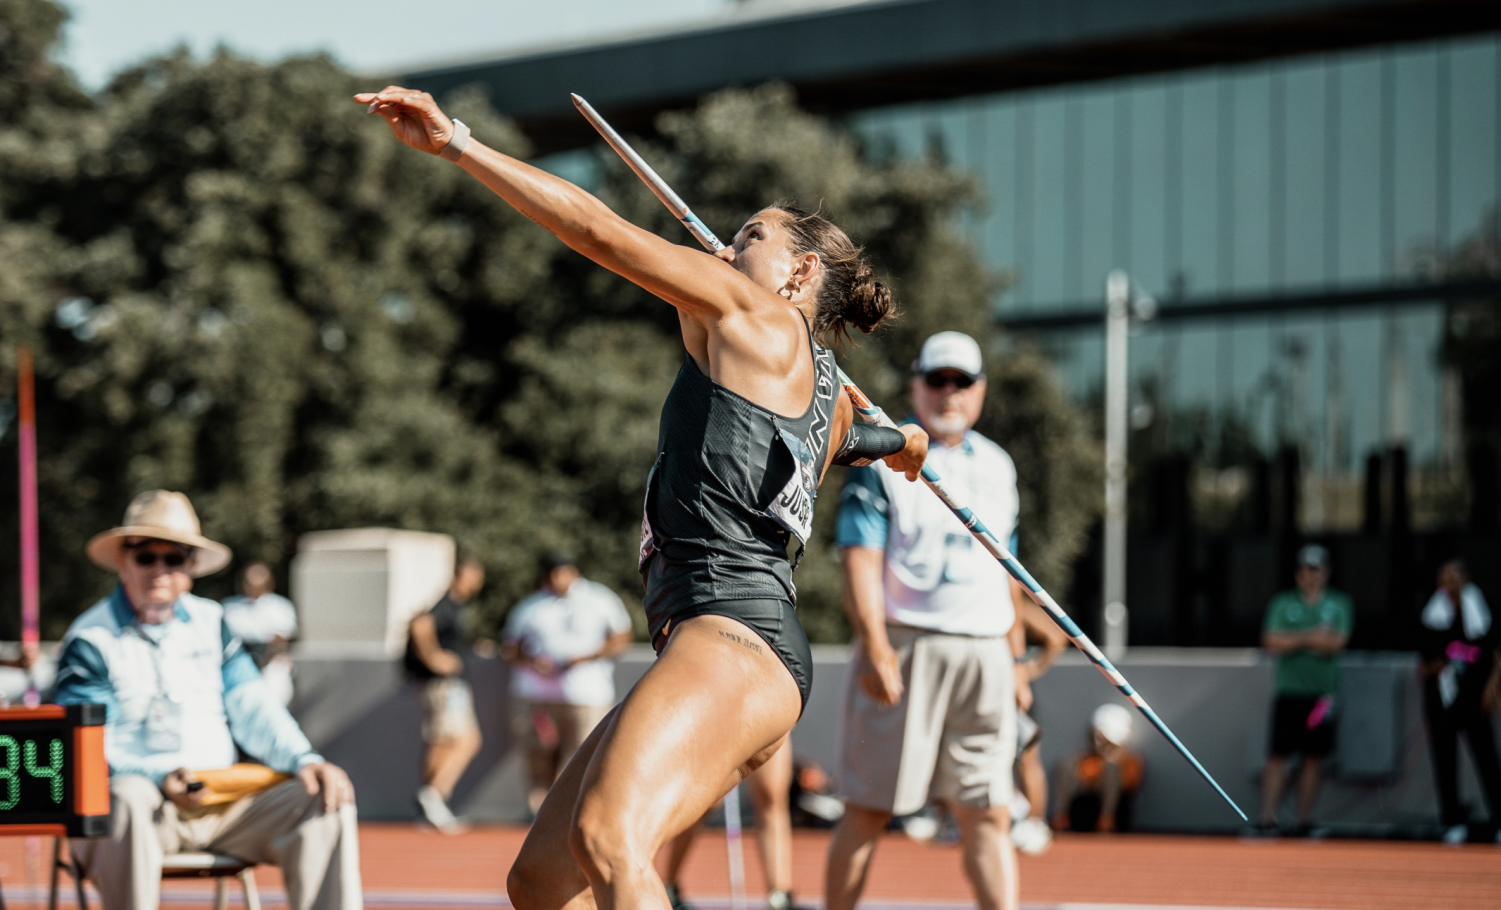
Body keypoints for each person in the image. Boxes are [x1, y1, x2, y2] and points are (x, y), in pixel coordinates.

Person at [354, 86, 926, 910]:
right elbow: (854, 444)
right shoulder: (832, 396)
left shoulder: (749, 312)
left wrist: (459, 147)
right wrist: (904, 444)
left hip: (732, 635)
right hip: (733, 649)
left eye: (748, 237)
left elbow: (596, 231)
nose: (726, 252)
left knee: (608, 839)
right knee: (543, 881)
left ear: (801, 270)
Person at [54, 490, 360, 910]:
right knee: (126, 796)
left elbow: (255, 706)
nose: (160, 570)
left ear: (191, 566)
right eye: (146, 557)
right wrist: (161, 775)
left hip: (222, 803)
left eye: (174, 558)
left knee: (324, 796)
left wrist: (305, 759)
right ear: (123, 561)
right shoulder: (89, 639)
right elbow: (86, 750)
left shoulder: (213, 622)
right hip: (137, 813)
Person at [826, 331, 1027, 910]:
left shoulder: (999, 465)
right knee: (867, 809)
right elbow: (859, 557)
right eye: (937, 379)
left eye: (961, 381)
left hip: (986, 651)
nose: (949, 392)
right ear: (916, 384)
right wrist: (877, 645)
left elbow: (1006, 569)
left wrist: (1014, 658)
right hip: (908, 644)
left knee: (988, 812)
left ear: (980, 389)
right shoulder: (883, 453)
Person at [502, 553, 633, 816]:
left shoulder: (600, 598)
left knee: (585, 756)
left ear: (574, 572)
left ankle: (581, 812)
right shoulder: (531, 605)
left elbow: (621, 638)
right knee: (539, 756)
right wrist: (534, 662)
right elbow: (510, 647)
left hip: (586, 695)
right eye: (552, 573)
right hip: (538, 696)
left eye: (562, 572)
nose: (557, 579)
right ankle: (541, 813)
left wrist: (584, 658)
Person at [1255, 543, 1352, 835]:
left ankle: (1303, 821)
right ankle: (1267, 820)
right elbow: (1271, 641)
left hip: (1322, 695)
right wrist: (1312, 637)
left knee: (1314, 756)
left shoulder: (1339, 603)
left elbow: (1335, 644)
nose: (1312, 575)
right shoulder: (1283, 602)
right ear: (1298, 573)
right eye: (1306, 569)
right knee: (1278, 755)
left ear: (1327, 572)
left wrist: (1294, 641)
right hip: (1289, 692)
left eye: (1317, 569)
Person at [659, 740, 804, 910]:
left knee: (772, 795)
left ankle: (779, 896)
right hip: (720, 717)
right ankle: (669, 886)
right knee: (707, 799)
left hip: (765, 714)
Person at [1419, 559, 1501, 845]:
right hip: (1442, 698)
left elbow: (1494, 654)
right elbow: (1424, 664)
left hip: (1475, 698)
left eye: (1454, 577)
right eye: (1444, 578)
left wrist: (1492, 688)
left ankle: (1498, 820)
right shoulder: (1431, 614)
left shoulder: (1482, 608)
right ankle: (1452, 821)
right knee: (1444, 760)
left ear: (1465, 579)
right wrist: (1441, 666)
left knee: (1488, 760)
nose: (1449, 583)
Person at [404, 554, 487, 833]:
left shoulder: (456, 606)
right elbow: (420, 622)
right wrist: (433, 656)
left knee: (443, 740)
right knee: (457, 740)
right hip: (444, 684)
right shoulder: (446, 603)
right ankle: (434, 795)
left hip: (444, 684)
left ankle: (431, 803)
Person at [1011, 599, 1069, 855]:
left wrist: (1029, 670)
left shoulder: (1011, 601)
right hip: (979, 685)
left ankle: (1035, 824)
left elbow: (1055, 637)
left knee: (1027, 757)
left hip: (1014, 690)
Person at [1050, 704, 1144, 833]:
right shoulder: (1084, 758)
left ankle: (1107, 819)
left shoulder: (1130, 759)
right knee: (1066, 765)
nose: (1099, 742)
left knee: (1112, 770)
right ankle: (1062, 816)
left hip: (1115, 806)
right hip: (1086, 802)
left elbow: (1130, 783)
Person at [222, 561, 299, 705]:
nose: (251, 585)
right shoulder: (229, 607)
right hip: (237, 662)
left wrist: (262, 659)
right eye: (247, 581)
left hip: (270, 662)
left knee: (274, 700)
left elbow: (281, 638)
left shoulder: (280, 607)